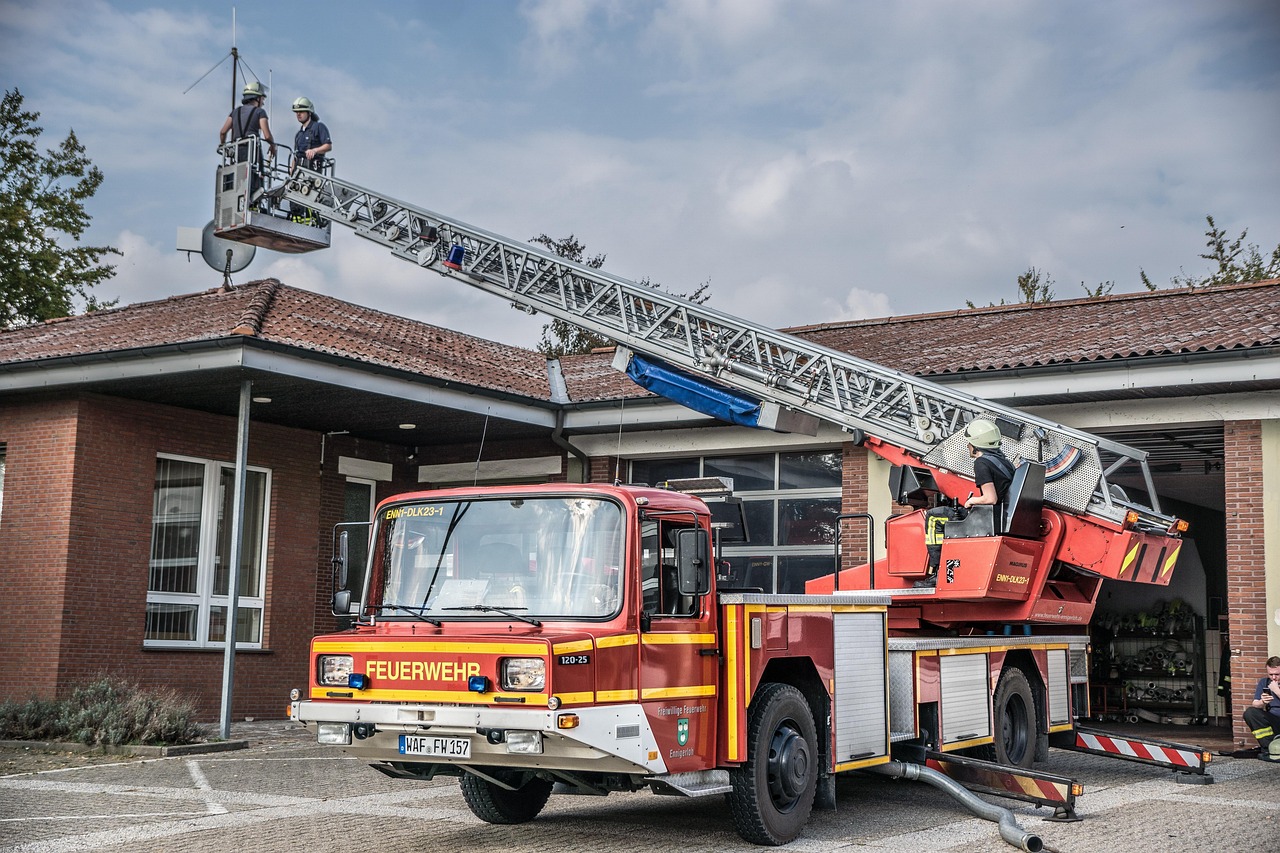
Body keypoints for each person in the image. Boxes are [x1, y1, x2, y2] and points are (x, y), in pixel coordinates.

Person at [914, 418, 1014, 588]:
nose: (968, 446)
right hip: (999, 517)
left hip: (987, 519)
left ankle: (938, 572)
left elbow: (990, 498)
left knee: (933, 517)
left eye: (969, 443)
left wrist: (971, 501)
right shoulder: (1005, 462)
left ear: (976, 445)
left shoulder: (982, 463)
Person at [218, 81, 277, 165]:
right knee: (257, 174)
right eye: (262, 99)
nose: (263, 103)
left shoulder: (235, 112)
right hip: (252, 151)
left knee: (239, 174)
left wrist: (223, 146)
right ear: (257, 98)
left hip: (237, 151)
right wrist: (272, 146)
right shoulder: (260, 112)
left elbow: (223, 132)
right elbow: (267, 136)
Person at [1245, 656, 1280, 761]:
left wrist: (1276, 690)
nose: (1274, 678)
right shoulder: (1264, 682)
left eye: (1277, 674)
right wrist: (1262, 702)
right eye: (1271, 674)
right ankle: (1269, 747)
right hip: (1274, 719)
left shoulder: (1274, 686)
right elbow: (1255, 703)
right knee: (1250, 713)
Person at [290, 97, 331, 173]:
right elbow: (296, 155)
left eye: (301, 111)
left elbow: (328, 146)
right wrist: (292, 170)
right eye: (297, 112)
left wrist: (315, 150)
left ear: (309, 112)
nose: (298, 114)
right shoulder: (299, 134)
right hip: (298, 172)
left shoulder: (319, 127)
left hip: (313, 171)